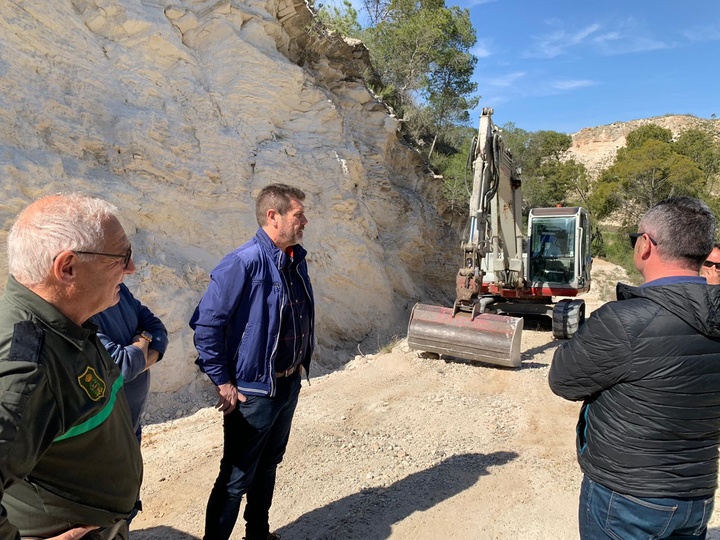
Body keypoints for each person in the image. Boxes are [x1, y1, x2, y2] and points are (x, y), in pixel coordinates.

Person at [549, 196, 720, 540]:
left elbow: (563, 380)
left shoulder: (623, 322)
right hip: (697, 496)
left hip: (626, 497)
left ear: (646, 245)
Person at [0, 194, 143, 539]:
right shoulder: (26, 367)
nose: (131, 268)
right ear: (67, 268)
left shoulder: (65, 321)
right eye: (122, 257)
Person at [190, 183, 314, 540]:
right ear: (273, 217)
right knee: (235, 478)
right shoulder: (242, 262)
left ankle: (257, 533)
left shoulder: (293, 259)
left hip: (287, 383)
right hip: (254, 391)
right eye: (298, 214)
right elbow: (206, 324)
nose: (305, 221)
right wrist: (223, 381)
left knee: (269, 464)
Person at [92, 284, 168, 442]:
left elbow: (157, 328)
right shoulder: (79, 308)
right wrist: (144, 340)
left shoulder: (117, 287)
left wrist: (137, 357)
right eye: (119, 260)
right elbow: (121, 367)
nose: (129, 268)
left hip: (132, 426)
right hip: (103, 439)